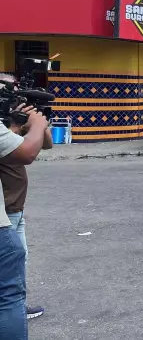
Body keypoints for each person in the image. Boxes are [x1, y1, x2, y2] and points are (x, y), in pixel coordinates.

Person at [0, 75, 52, 321]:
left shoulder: (11, 122)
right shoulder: (3, 128)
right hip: (6, 209)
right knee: (10, 264)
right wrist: (18, 126)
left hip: (17, 208)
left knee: (19, 261)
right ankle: (11, 309)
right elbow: (25, 152)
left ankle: (16, 306)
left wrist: (38, 121)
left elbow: (47, 144)